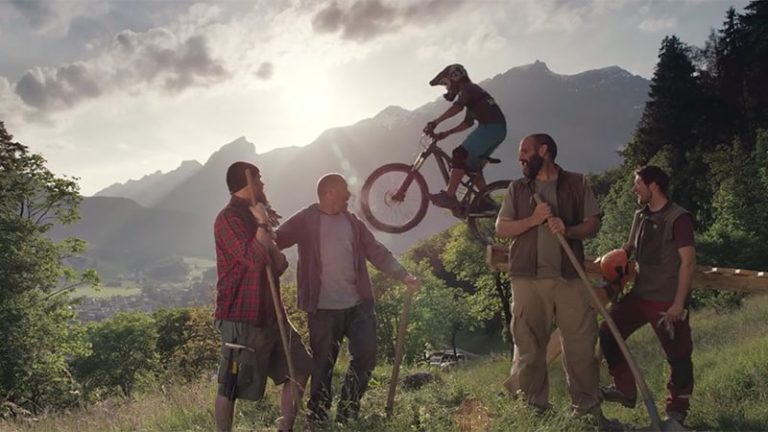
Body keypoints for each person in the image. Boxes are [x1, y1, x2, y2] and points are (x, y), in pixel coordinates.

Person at [275, 173, 421, 426]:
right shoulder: (306, 220)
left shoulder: (353, 223)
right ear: (330, 191)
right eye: (345, 191)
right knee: (322, 365)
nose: (349, 196)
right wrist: (262, 233)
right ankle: (318, 416)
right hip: (322, 309)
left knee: (366, 358)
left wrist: (403, 274)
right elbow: (277, 240)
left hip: (358, 305)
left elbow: (376, 251)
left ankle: (348, 410)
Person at [495, 134, 609, 422]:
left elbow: (593, 223)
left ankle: (587, 413)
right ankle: (535, 412)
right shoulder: (517, 188)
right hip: (527, 280)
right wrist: (534, 220)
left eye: (524, 151)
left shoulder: (577, 182)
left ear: (543, 151)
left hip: (569, 278)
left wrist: (568, 229)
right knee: (530, 349)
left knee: (581, 346)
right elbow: (502, 228)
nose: (520, 157)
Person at [213, 161, 312, 432]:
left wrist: (272, 243)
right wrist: (260, 225)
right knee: (231, 386)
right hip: (242, 317)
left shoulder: (259, 215)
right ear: (247, 184)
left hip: (273, 313)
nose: (263, 184)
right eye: (259, 179)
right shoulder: (228, 219)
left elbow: (276, 265)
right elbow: (252, 260)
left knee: (301, 366)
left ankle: (285, 428)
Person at [599, 165, 695, 425]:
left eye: (638, 184)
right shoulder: (640, 215)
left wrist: (678, 303)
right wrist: (613, 258)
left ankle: (676, 412)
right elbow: (629, 248)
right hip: (640, 294)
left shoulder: (679, 218)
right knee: (608, 330)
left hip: (666, 301)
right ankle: (626, 389)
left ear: (654, 186)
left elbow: (687, 263)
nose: (634, 189)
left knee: (678, 356)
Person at [423, 63, 507, 210]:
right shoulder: (473, 91)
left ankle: (448, 196)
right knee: (473, 168)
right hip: (497, 130)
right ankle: (485, 199)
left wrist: (435, 122)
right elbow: (468, 123)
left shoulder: (468, 89)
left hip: (490, 128)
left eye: (446, 84)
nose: (447, 89)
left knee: (459, 153)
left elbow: (457, 107)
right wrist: (447, 133)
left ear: (453, 78)